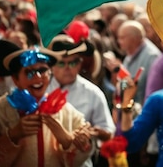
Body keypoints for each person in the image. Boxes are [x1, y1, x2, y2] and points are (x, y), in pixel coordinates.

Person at [0, 40, 93, 166]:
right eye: (29, 72)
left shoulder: (63, 109)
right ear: (15, 79)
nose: (38, 77)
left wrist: (68, 140)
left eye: (43, 70)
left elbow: (81, 157)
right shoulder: (1, 109)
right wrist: (13, 136)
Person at [46, 34, 116, 166]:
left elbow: (109, 132)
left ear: (79, 64)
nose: (67, 68)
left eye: (72, 62)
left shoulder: (93, 93)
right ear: (52, 66)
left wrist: (94, 131)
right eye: (61, 63)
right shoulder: (40, 89)